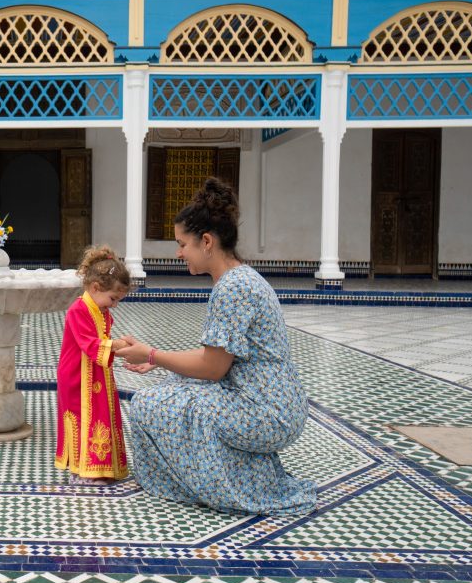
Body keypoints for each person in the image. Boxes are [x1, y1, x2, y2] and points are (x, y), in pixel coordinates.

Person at [115, 178, 316, 515]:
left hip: (267, 411)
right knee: (176, 387)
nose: (179, 253)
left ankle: (207, 484)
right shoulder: (241, 278)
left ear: (206, 242)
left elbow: (213, 368)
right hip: (269, 401)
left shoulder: (233, 288)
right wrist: (158, 360)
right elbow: (215, 360)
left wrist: (152, 354)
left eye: (182, 244)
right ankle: (234, 477)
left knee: (149, 404)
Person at [55, 245, 132, 485]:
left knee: (101, 415)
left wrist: (120, 347)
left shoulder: (100, 310)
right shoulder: (79, 310)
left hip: (96, 373)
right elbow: (91, 344)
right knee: (82, 418)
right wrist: (118, 345)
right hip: (77, 376)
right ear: (96, 288)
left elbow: (102, 344)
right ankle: (82, 470)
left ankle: (100, 467)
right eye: (113, 298)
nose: (115, 305)